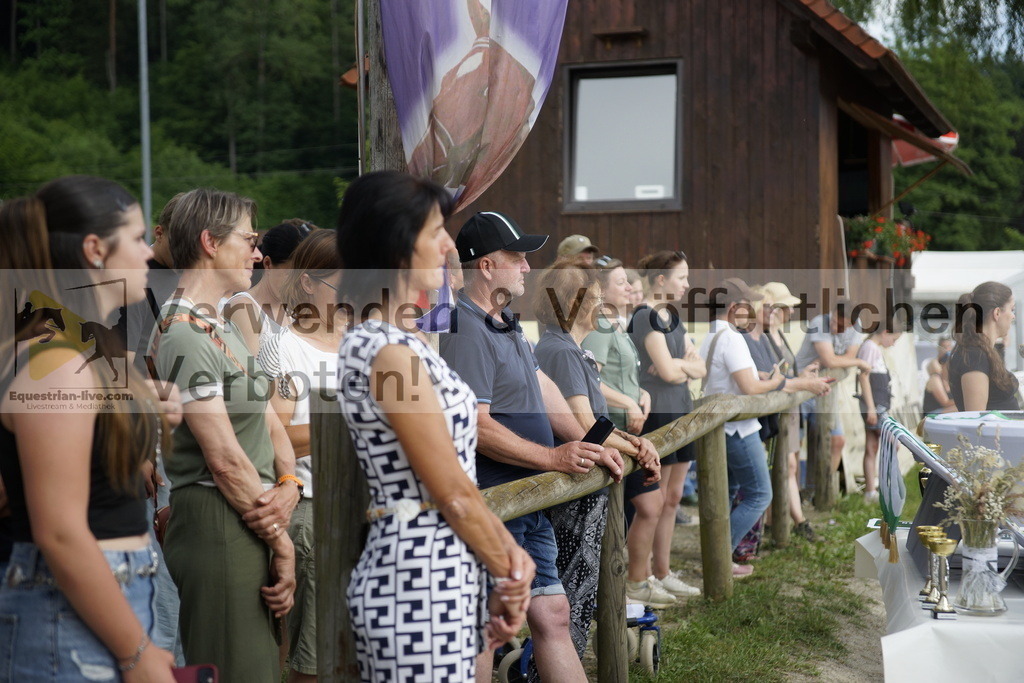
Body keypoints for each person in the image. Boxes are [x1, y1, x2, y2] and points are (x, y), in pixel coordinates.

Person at [336, 173, 533, 683]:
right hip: (415, 575)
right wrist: (509, 566)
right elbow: (450, 489)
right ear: (397, 244)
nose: (450, 244)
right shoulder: (387, 353)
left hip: (441, 566)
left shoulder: (403, 343)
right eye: (436, 232)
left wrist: (509, 559)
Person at [0, 176, 178, 680]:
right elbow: (58, 531)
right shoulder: (55, 361)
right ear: (95, 249)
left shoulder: (73, 349)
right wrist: (136, 652)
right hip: (73, 610)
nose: (148, 254)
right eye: (139, 237)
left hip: (99, 599)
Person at [440, 211, 620, 683]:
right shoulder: (465, 326)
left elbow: (542, 388)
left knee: (552, 614)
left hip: (529, 496)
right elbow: (474, 424)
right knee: (484, 627)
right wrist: (552, 457)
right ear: (484, 265)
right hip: (496, 501)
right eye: (516, 256)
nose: (525, 267)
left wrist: (586, 443)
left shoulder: (504, 323)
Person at [153, 188, 300, 682]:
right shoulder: (182, 331)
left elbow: (269, 419)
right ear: (209, 242)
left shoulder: (217, 322)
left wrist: (289, 483)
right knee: (238, 671)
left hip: (247, 515)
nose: (257, 253)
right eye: (249, 239)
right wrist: (282, 543)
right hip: (222, 521)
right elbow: (223, 459)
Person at [533, 258, 662, 645]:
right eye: (598, 299)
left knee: (585, 586)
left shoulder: (570, 348)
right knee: (575, 587)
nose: (604, 306)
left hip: (585, 479)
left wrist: (636, 444)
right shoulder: (563, 351)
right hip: (573, 485)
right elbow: (585, 424)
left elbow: (598, 422)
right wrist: (637, 447)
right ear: (579, 303)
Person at [701, 278, 831, 577]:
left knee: (732, 489)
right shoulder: (732, 336)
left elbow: (744, 374)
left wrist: (780, 379)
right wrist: (775, 382)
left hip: (724, 423)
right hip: (738, 426)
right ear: (735, 307)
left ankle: (720, 557)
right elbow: (750, 385)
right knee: (760, 492)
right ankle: (719, 557)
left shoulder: (714, 332)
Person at [263, 230, 345, 682]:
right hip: (313, 513)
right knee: (311, 662)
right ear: (309, 283)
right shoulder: (283, 345)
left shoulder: (367, 341)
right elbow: (277, 440)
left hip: (366, 508)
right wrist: (351, 422)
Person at [582, 257, 673, 607]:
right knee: (648, 506)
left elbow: (626, 377)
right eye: (621, 283)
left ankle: (638, 578)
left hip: (629, 427)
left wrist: (642, 394)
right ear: (601, 290)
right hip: (614, 431)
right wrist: (630, 403)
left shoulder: (616, 325)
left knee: (647, 505)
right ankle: (633, 582)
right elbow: (593, 382)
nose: (630, 287)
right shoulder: (601, 327)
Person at [124, 192, 187, 664]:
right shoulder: (136, 284)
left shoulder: (183, 280)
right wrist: (143, 444)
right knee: (161, 583)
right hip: (154, 447)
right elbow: (126, 368)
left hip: (179, 441)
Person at [628, 250, 704, 597]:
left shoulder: (671, 316)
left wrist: (677, 366)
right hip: (658, 414)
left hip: (682, 409)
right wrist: (678, 366)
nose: (687, 284)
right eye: (682, 277)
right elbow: (674, 371)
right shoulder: (645, 316)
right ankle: (641, 576)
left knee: (673, 497)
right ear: (661, 280)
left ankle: (663, 570)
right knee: (653, 500)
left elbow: (698, 367)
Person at [760, 282, 819, 542]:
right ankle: (798, 521)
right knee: (787, 465)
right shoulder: (762, 336)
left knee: (789, 465)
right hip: (774, 413)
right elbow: (771, 377)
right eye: (787, 307)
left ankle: (778, 521)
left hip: (788, 411)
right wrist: (801, 381)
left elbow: (783, 374)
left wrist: (800, 377)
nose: (792, 313)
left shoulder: (777, 335)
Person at [793, 297, 870, 473]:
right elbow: (830, 360)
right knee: (795, 444)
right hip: (801, 388)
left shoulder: (857, 326)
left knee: (837, 441)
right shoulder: (819, 323)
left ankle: (819, 493)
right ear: (833, 313)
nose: (835, 328)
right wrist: (858, 361)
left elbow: (841, 359)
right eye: (834, 321)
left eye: (841, 327)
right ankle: (796, 493)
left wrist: (845, 360)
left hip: (826, 391)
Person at [223, 220, 314, 362]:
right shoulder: (243, 308)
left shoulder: (294, 310)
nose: (298, 282)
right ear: (268, 263)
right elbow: (253, 378)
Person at [948, 281, 1019, 412]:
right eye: (1012, 309)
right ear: (997, 313)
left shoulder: (982, 351)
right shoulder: (974, 355)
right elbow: (975, 420)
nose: (1013, 316)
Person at [857, 326, 901, 503]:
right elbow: (864, 377)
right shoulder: (870, 347)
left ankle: (871, 491)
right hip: (875, 406)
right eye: (894, 339)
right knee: (893, 443)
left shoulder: (874, 348)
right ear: (885, 332)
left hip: (878, 405)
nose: (893, 344)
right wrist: (871, 407)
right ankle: (888, 486)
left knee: (872, 446)